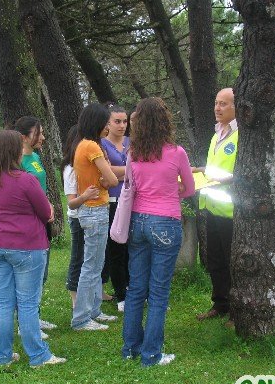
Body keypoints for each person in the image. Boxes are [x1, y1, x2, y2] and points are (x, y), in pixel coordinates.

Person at [0, 130, 66, 367]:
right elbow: (47, 213)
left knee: (2, 300)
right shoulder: (25, 179)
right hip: (26, 245)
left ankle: (3, 355)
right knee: (27, 302)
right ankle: (38, 355)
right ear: (14, 151)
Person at [122, 97, 195, 366]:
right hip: (165, 222)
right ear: (165, 121)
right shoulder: (177, 153)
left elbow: (133, 187)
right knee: (158, 292)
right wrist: (173, 189)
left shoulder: (133, 153)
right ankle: (151, 354)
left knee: (136, 288)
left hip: (138, 222)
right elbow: (189, 189)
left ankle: (130, 347)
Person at [70, 103, 120, 331]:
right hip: (95, 209)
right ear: (97, 123)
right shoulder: (92, 147)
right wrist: (103, 181)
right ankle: (81, 318)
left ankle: (94, 311)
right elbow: (113, 180)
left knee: (96, 263)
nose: (109, 127)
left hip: (90, 209)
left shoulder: (82, 144)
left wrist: (101, 180)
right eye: (106, 122)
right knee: (91, 266)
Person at [195, 88, 238, 322]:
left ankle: (237, 309)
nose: (217, 108)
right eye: (216, 103)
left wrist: (217, 177)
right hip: (212, 206)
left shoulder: (241, 134)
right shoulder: (217, 132)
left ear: (236, 107)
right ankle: (220, 304)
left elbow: (242, 172)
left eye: (223, 104)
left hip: (232, 211)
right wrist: (202, 173)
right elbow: (215, 167)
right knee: (216, 260)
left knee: (234, 262)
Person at [13, 116, 56, 335]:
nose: (43, 137)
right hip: (28, 223)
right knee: (28, 275)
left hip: (42, 220)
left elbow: (41, 188)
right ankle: (25, 323)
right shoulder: (17, 161)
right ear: (23, 137)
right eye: (38, 133)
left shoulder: (36, 156)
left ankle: (34, 316)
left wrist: (48, 205)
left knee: (42, 272)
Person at [61, 125, 100, 308]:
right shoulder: (70, 168)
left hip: (91, 216)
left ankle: (92, 297)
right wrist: (85, 196)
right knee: (78, 258)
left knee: (91, 259)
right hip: (78, 218)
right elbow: (71, 202)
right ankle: (75, 298)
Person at [101, 104, 130, 312]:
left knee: (132, 248)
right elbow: (105, 172)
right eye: (117, 121)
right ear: (108, 124)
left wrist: (118, 173)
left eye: (125, 121)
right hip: (111, 201)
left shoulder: (132, 142)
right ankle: (121, 293)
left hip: (131, 200)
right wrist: (130, 169)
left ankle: (133, 288)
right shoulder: (102, 144)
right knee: (116, 248)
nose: (121, 125)